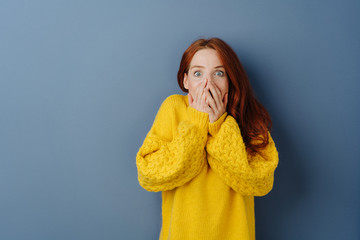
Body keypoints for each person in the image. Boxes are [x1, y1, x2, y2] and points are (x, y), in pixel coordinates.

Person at [136, 37, 279, 240]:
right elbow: (149, 174)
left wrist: (220, 125)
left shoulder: (245, 114)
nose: (207, 83)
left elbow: (260, 182)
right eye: (198, 73)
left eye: (218, 73)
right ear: (186, 81)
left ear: (230, 79)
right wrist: (196, 124)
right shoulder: (173, 108)